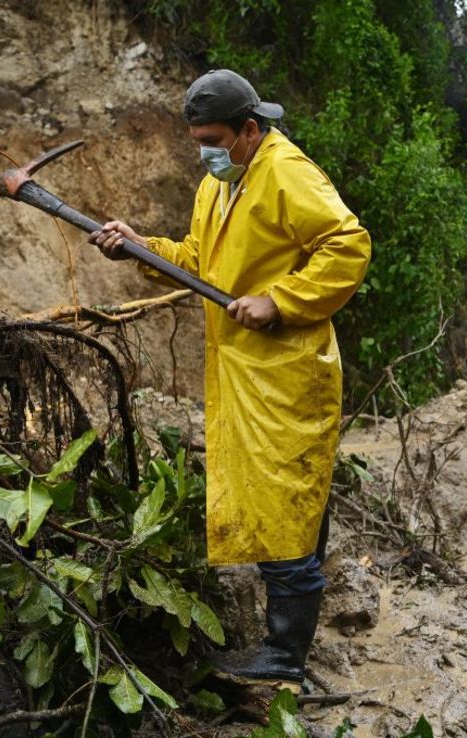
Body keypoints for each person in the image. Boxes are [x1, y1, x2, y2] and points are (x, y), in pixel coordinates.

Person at [89, 69, 371, 688]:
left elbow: (347, 245)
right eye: (197, 142)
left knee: (285, 504)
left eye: (213, 139)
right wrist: (143, 247)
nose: (205, 153)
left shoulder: (285, 172)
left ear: (251, 128)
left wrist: (281, 299)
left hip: (287, 373)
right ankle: (284, 647)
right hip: (245, 371)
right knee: (285, 503)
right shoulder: (222, 184)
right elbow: (199, 260)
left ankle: (284, 658)